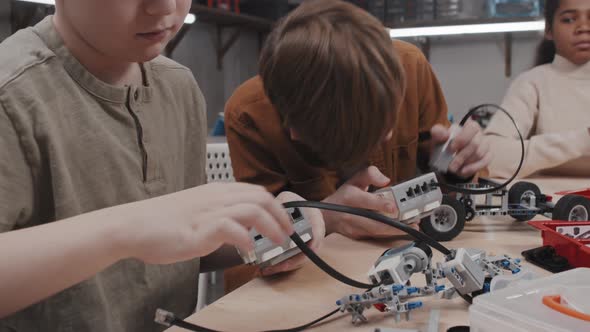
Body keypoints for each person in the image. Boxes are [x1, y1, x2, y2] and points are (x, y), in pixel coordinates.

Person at [0, 0, 323, 330]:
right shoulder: (11, 96)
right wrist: (126, 228)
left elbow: (180, 253)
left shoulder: (178, 87)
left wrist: (271, 228)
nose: (165, 6)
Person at [224, 0, 491, 291]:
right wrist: (326, 217)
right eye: (373, 136)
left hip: (414, 267)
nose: (389, 136)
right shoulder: (250, 115)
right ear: (295, 132)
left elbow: (454, 190)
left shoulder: (411, 68)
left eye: (389, 122)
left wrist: (459, 169)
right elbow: (245, 261)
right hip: (319, 286)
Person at [484, 0, 590, 178]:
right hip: (555, 203)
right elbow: (492, 157)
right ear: (549, 30)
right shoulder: (532, 83)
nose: (583, 27)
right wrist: (584, 139)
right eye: (569, 19)